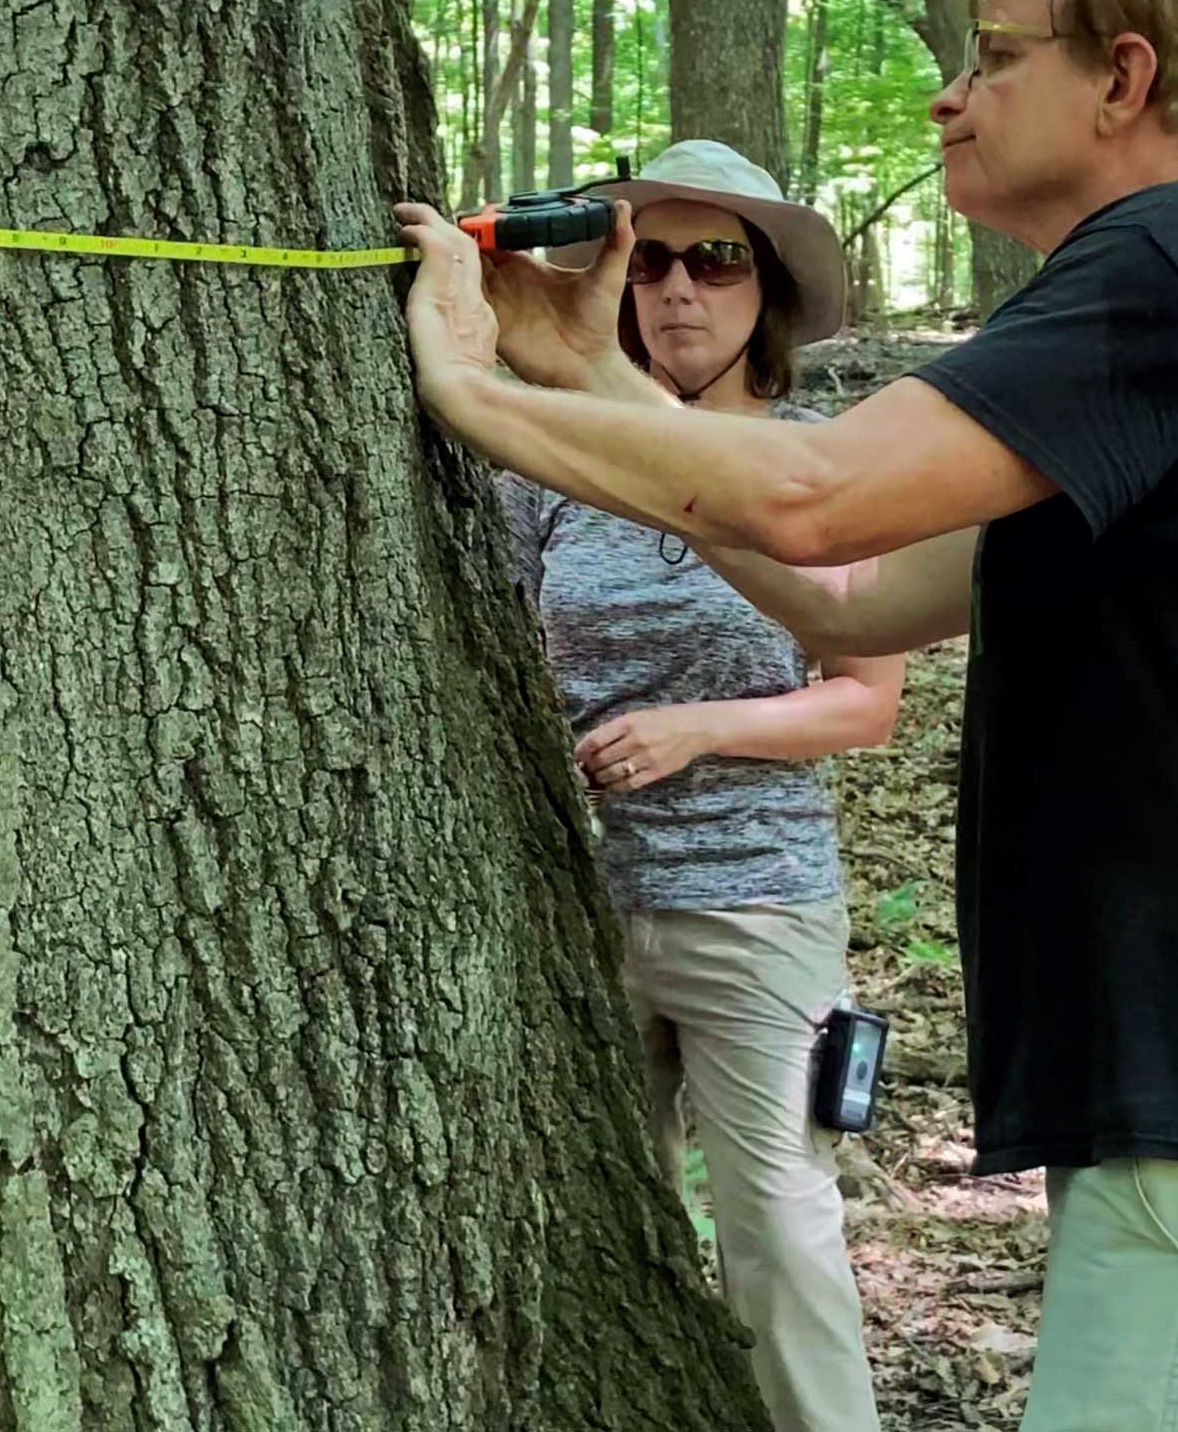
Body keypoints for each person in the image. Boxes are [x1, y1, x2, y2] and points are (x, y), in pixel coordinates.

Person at [397, 0, 1178, 1430]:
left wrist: (467, 381)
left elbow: (807, 490)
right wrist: (586, 370)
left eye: (993, 55)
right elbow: (853, 599)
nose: (945, 96)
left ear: (1125, 78)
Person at [490, 140, 895, 1432]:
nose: (679, 289)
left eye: (716, 260)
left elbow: (866, 698)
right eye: (648, 257)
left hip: (754, 910)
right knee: (607, 1235)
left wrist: (698, 729)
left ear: (764, 292)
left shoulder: (818, 463)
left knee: (778, 1230)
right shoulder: (559, 460)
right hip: (581, 912)